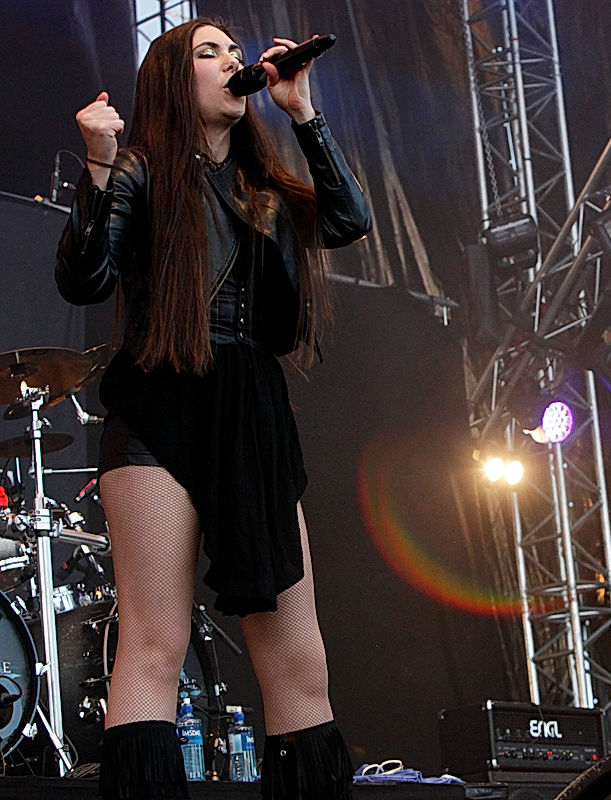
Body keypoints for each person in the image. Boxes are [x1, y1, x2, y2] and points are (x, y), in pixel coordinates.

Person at [56, 18, 372, 799]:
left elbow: (349, 221)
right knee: (155, 644)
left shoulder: (267, 190)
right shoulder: (137, 170)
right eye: (210, 51)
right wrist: (98, 164)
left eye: (236, 51)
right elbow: (85, 281)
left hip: (253, 416)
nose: (233, 60)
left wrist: (303, 112)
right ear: (173, 77)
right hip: (162, 402)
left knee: (299, 660)